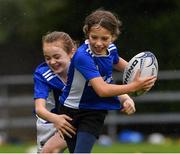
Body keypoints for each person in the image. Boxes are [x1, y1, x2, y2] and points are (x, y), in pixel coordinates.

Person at [58, 9, 157, 153]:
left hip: (94, 111)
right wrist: (133, 87)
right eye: (94, 37)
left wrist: (143, 77)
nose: (98, 43)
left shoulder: (111, 50)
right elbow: (103, 90)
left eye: (104, 38)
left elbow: (122, 65)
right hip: (69, 111)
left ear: (113, 37)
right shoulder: (82, 56)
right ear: (87, 33)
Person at [33, 31, 76, 153]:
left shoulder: (81, 67)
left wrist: (124, 97)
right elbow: (39, 109)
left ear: (71, 52)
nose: (52, 62)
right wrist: (56, 119)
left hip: (77, 118)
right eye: (47, 58)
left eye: (56, 57)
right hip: (49, 122)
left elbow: (101, 84)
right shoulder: (42, 74)